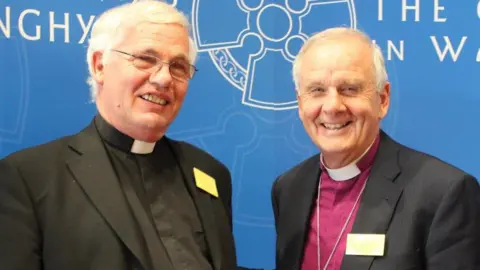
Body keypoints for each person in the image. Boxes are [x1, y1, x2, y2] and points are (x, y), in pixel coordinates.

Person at [0, 1, 237, 269]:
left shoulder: (210, 173)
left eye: (179, 67)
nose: (163, 79)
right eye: (145, 60)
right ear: (99, 65)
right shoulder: (29, 178)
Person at [271, 27, 480, 270]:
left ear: (382, 99)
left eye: (349, 88)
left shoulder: (444, 192)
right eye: (317, 90)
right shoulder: (288, 188)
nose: (332, 106)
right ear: (300, 103)